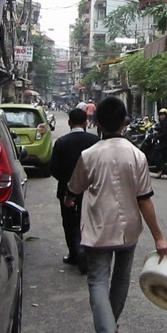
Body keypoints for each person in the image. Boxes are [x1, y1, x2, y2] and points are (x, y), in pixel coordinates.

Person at [65, 97, 167, 333]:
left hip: (99, 229)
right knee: (121, 281)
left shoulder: (89, 155)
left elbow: (74, 189)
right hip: (129, 231)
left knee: (98, 281)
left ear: (96, 122)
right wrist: (159, 236)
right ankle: (112, 331)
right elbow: (144, 199)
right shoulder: (138, 155)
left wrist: (68, 200)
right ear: (125, 123)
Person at [49, 108, 99, 273]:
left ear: (70, 123)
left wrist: (68, 182)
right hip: (91, 190)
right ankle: (88, 251)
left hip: (67, 190)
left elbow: (54, 169)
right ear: (86, 123)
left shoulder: (62, 142)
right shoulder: (95, 141)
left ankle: (73, 253)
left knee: (69, 222)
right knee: (90, 221)